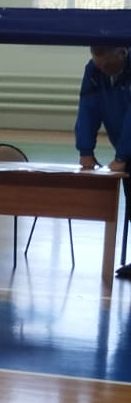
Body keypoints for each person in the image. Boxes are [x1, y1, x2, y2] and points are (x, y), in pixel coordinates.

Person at [74, 45, 131, 279]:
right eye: (98, 62)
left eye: (108, 63)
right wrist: (85, 150)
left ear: (122, 52)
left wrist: (122, 156)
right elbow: (88, 107)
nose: (103, 68)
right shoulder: (95, 71)